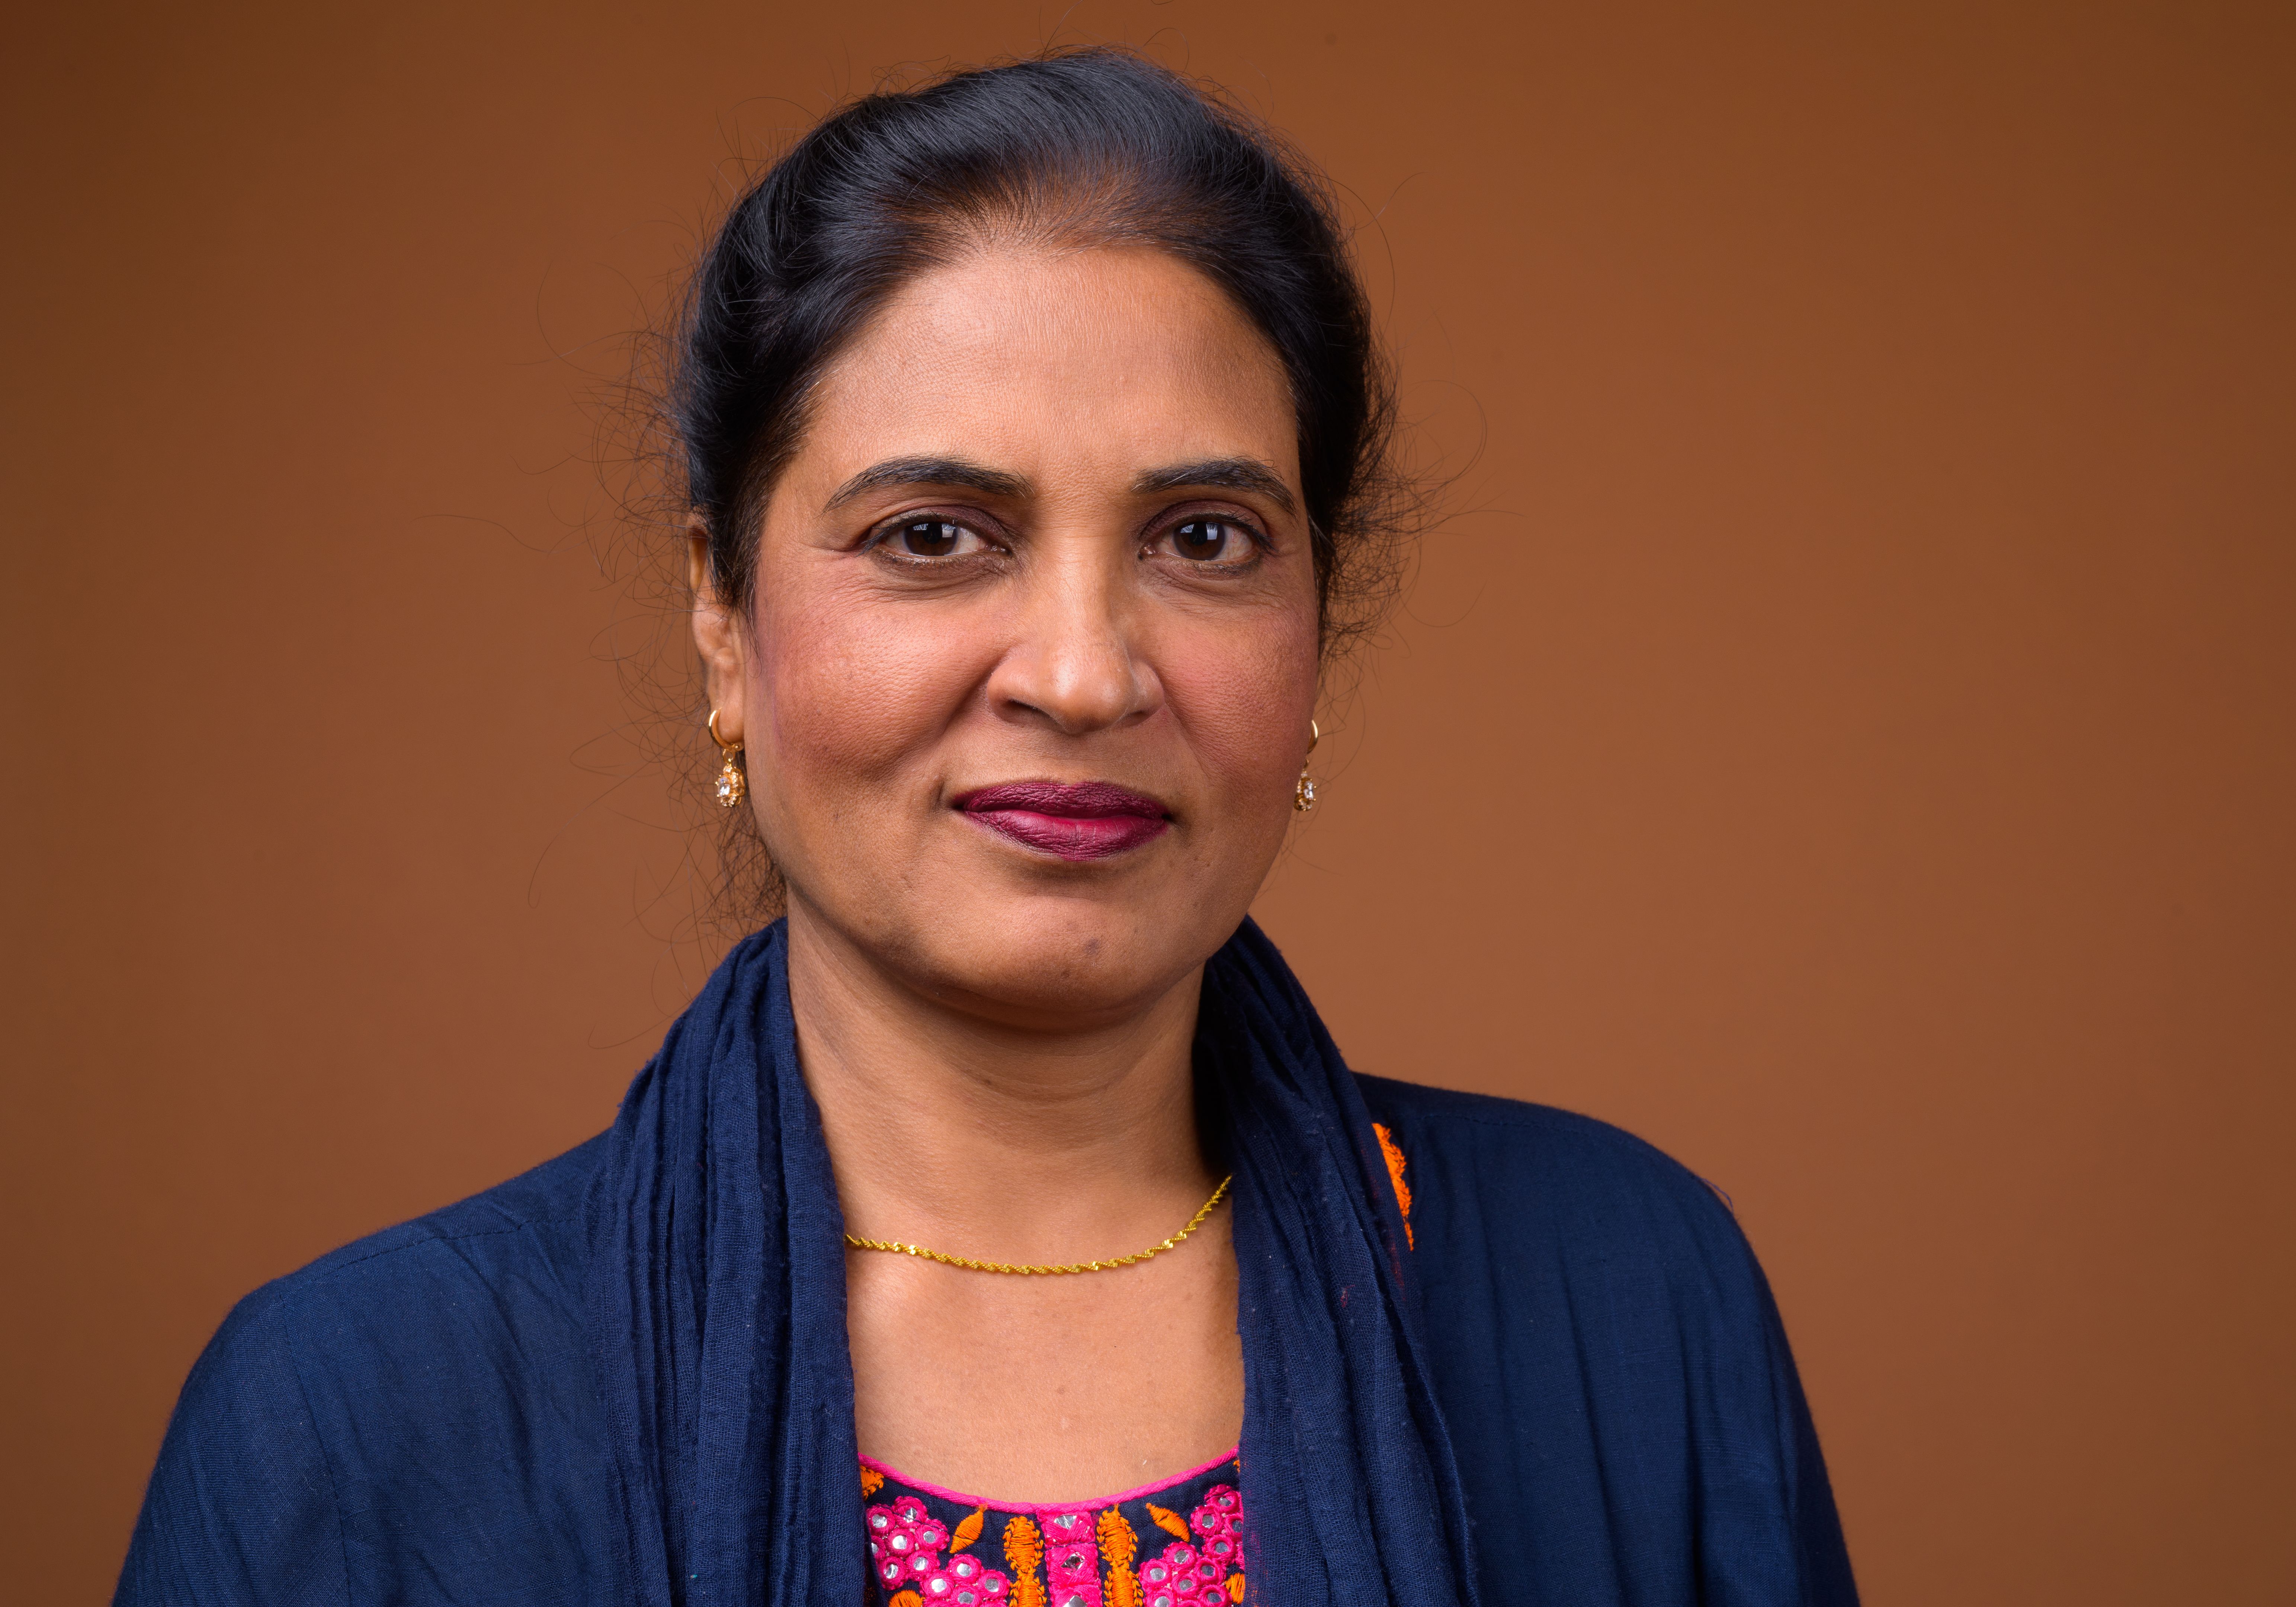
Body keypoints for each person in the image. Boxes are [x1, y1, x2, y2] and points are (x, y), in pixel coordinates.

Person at [115, 48, 1856, 1607]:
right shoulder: (359, 1419)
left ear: (1319, 629)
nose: (1087, 676)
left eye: (1203, 540)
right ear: (721, 617)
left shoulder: (1621, 1302)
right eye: (935, 536)